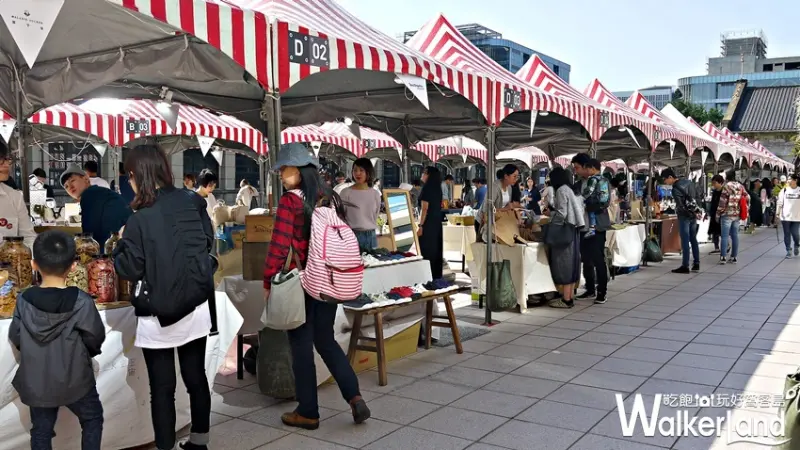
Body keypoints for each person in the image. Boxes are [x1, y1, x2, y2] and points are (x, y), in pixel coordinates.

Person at [114, 145, 215, 450]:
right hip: (195, 301)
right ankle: (200, 442)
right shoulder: (192, 200)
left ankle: (165, 446)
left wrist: (120, 243)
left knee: (163, 387)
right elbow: (208, 241)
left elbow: (130, 268)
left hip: (158, 311)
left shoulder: (138, 219)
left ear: (135, 175)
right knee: (196, 375)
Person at [262, 143, 369, 430]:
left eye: (284, 169)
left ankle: (308, 411)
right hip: (330, 280)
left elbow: (278, 246)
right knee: (325, 340)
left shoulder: (289, 202)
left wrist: (268, 280)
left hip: (302, 283)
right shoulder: (328, 197)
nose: (281, 174)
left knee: (300, 345)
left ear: (299, 169)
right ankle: (355, 396)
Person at [9, 230, 106, 450]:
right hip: (76, 379)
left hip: (37, 381)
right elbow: (95, 336)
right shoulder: (81, 300)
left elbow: (16, 336)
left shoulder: (23, 299)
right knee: (92, 419)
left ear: (33, 265)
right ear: (73, 266)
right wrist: (83, 354)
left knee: (41, 432)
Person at [60, 164, 132, 250]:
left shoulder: (89, 195)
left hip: (119, 248)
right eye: (66, 186)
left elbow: (90, 238)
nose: (70, 187)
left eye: (72, 180)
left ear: (86, 178)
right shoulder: (100, 192)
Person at [571, 153, 610, 304]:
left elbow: (604, 202)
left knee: (598, 258)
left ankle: (602, 291)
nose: (576, 171)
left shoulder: (600, 181)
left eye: (577, 168)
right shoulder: (578, 184)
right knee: (586, 258)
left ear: (588, 167)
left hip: (597, 225)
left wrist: (589, 206)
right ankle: (589, 288)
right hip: (582, 226)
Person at [545, 167, 585, 309]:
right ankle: (570, 297)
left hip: (565, 229)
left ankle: (566, 299)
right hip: (574, 229)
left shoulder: (562, 190)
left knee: (564, 264)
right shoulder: (572, 189)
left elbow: (562, 212)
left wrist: (551, 222)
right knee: (572, 263)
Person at [661, 168, 700, 274]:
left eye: (665, 180)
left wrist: (684, 213)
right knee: (693, 239)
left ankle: (685, 265)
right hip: (693, 214)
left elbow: (680, 205)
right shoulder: (689, 182)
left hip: (684, 216)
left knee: (685, 240)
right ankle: (696, 263)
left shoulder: (675, 189)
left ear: (670, 177)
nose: (665, 182)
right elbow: (697, 197)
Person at [340, 158, 382, 250]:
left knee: (372, 263)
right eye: (355, 170)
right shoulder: (345, 193)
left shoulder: (375, 194)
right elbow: (341, 216)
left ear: (368, 172)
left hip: (371, 236)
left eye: (361, 170)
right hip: (351, 235)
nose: (357, 173)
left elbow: (375, 215)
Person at [0, 144, 35, 248]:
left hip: (11, 262)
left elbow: (29, 237)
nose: (7, 165)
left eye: (7, 160)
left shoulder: (15, 197)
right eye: (1, 160)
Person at [716, 170, 749, 265]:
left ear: (727, 177)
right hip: (737, 214)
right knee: (735, 236)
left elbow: (722, 202)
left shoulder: (726, 186)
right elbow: (747, 197)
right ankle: (734, 257)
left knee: (725, 236)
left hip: (726, 214)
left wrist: (718, 214)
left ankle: (723, 257)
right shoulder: (740, 186)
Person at [417, 166, 444, 279]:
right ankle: (435, 276)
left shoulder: (427, 188)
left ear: (428, 175)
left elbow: (425, 209)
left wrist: (420, 225)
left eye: (424, 173)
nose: (422, 175)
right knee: (436, 250)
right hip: (437, 223)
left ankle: (426, 277)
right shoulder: (438, 188)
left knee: (426, 251)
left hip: (428, 224)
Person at [479, 164, 520, 240]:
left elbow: (507, 205)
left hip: (497, 220)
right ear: (506, 176)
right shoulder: (494, 187)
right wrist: (506, 208)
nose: (516, 179)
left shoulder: (509, 187)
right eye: (514, 176)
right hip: (487, 221)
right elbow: (487, 209)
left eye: (517, 176)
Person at [777, 174, 800, 258]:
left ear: (795, 180)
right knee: (787, 233)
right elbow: (779, 202)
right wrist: (777, 214)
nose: (788, 181)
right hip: (785, 216)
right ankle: (788, 250)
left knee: (795, 233)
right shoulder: (784, 190)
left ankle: (797, 245)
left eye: (790, 179)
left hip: (797, 216)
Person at [708, 175, 724, 254]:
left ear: (720, 183)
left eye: (715, 183)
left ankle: (726, 245)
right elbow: (712, 203)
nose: (713, 185)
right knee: (714, 231)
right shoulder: (714, 192)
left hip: (721, 213)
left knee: (721, 231)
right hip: (714, 213)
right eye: (713, 183)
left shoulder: (724, 192)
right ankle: (716, 247)